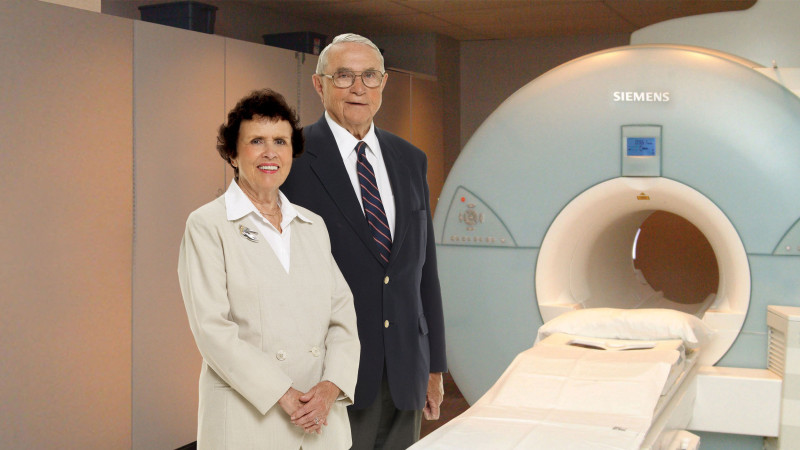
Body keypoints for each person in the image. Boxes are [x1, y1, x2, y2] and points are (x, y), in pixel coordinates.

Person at [281, 33, 447, 449]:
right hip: (330, 374)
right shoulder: (292, 160)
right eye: (344, 76)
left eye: (370, 76)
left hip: (406, 367)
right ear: (319, 85)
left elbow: (424, 272)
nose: (359, 87)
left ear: (384, 83)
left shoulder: (410, 159)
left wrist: (434, 366)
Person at [177, 89, 360, 449]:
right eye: (256, 141)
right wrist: (284, 394)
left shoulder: (312, 225)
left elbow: (343, 320)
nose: (270, 153)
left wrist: (329, 387)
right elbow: (213, 331)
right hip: (250, 420)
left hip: (320, 417)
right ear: (232, 152)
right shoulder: (207, 225)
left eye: (280, 141)